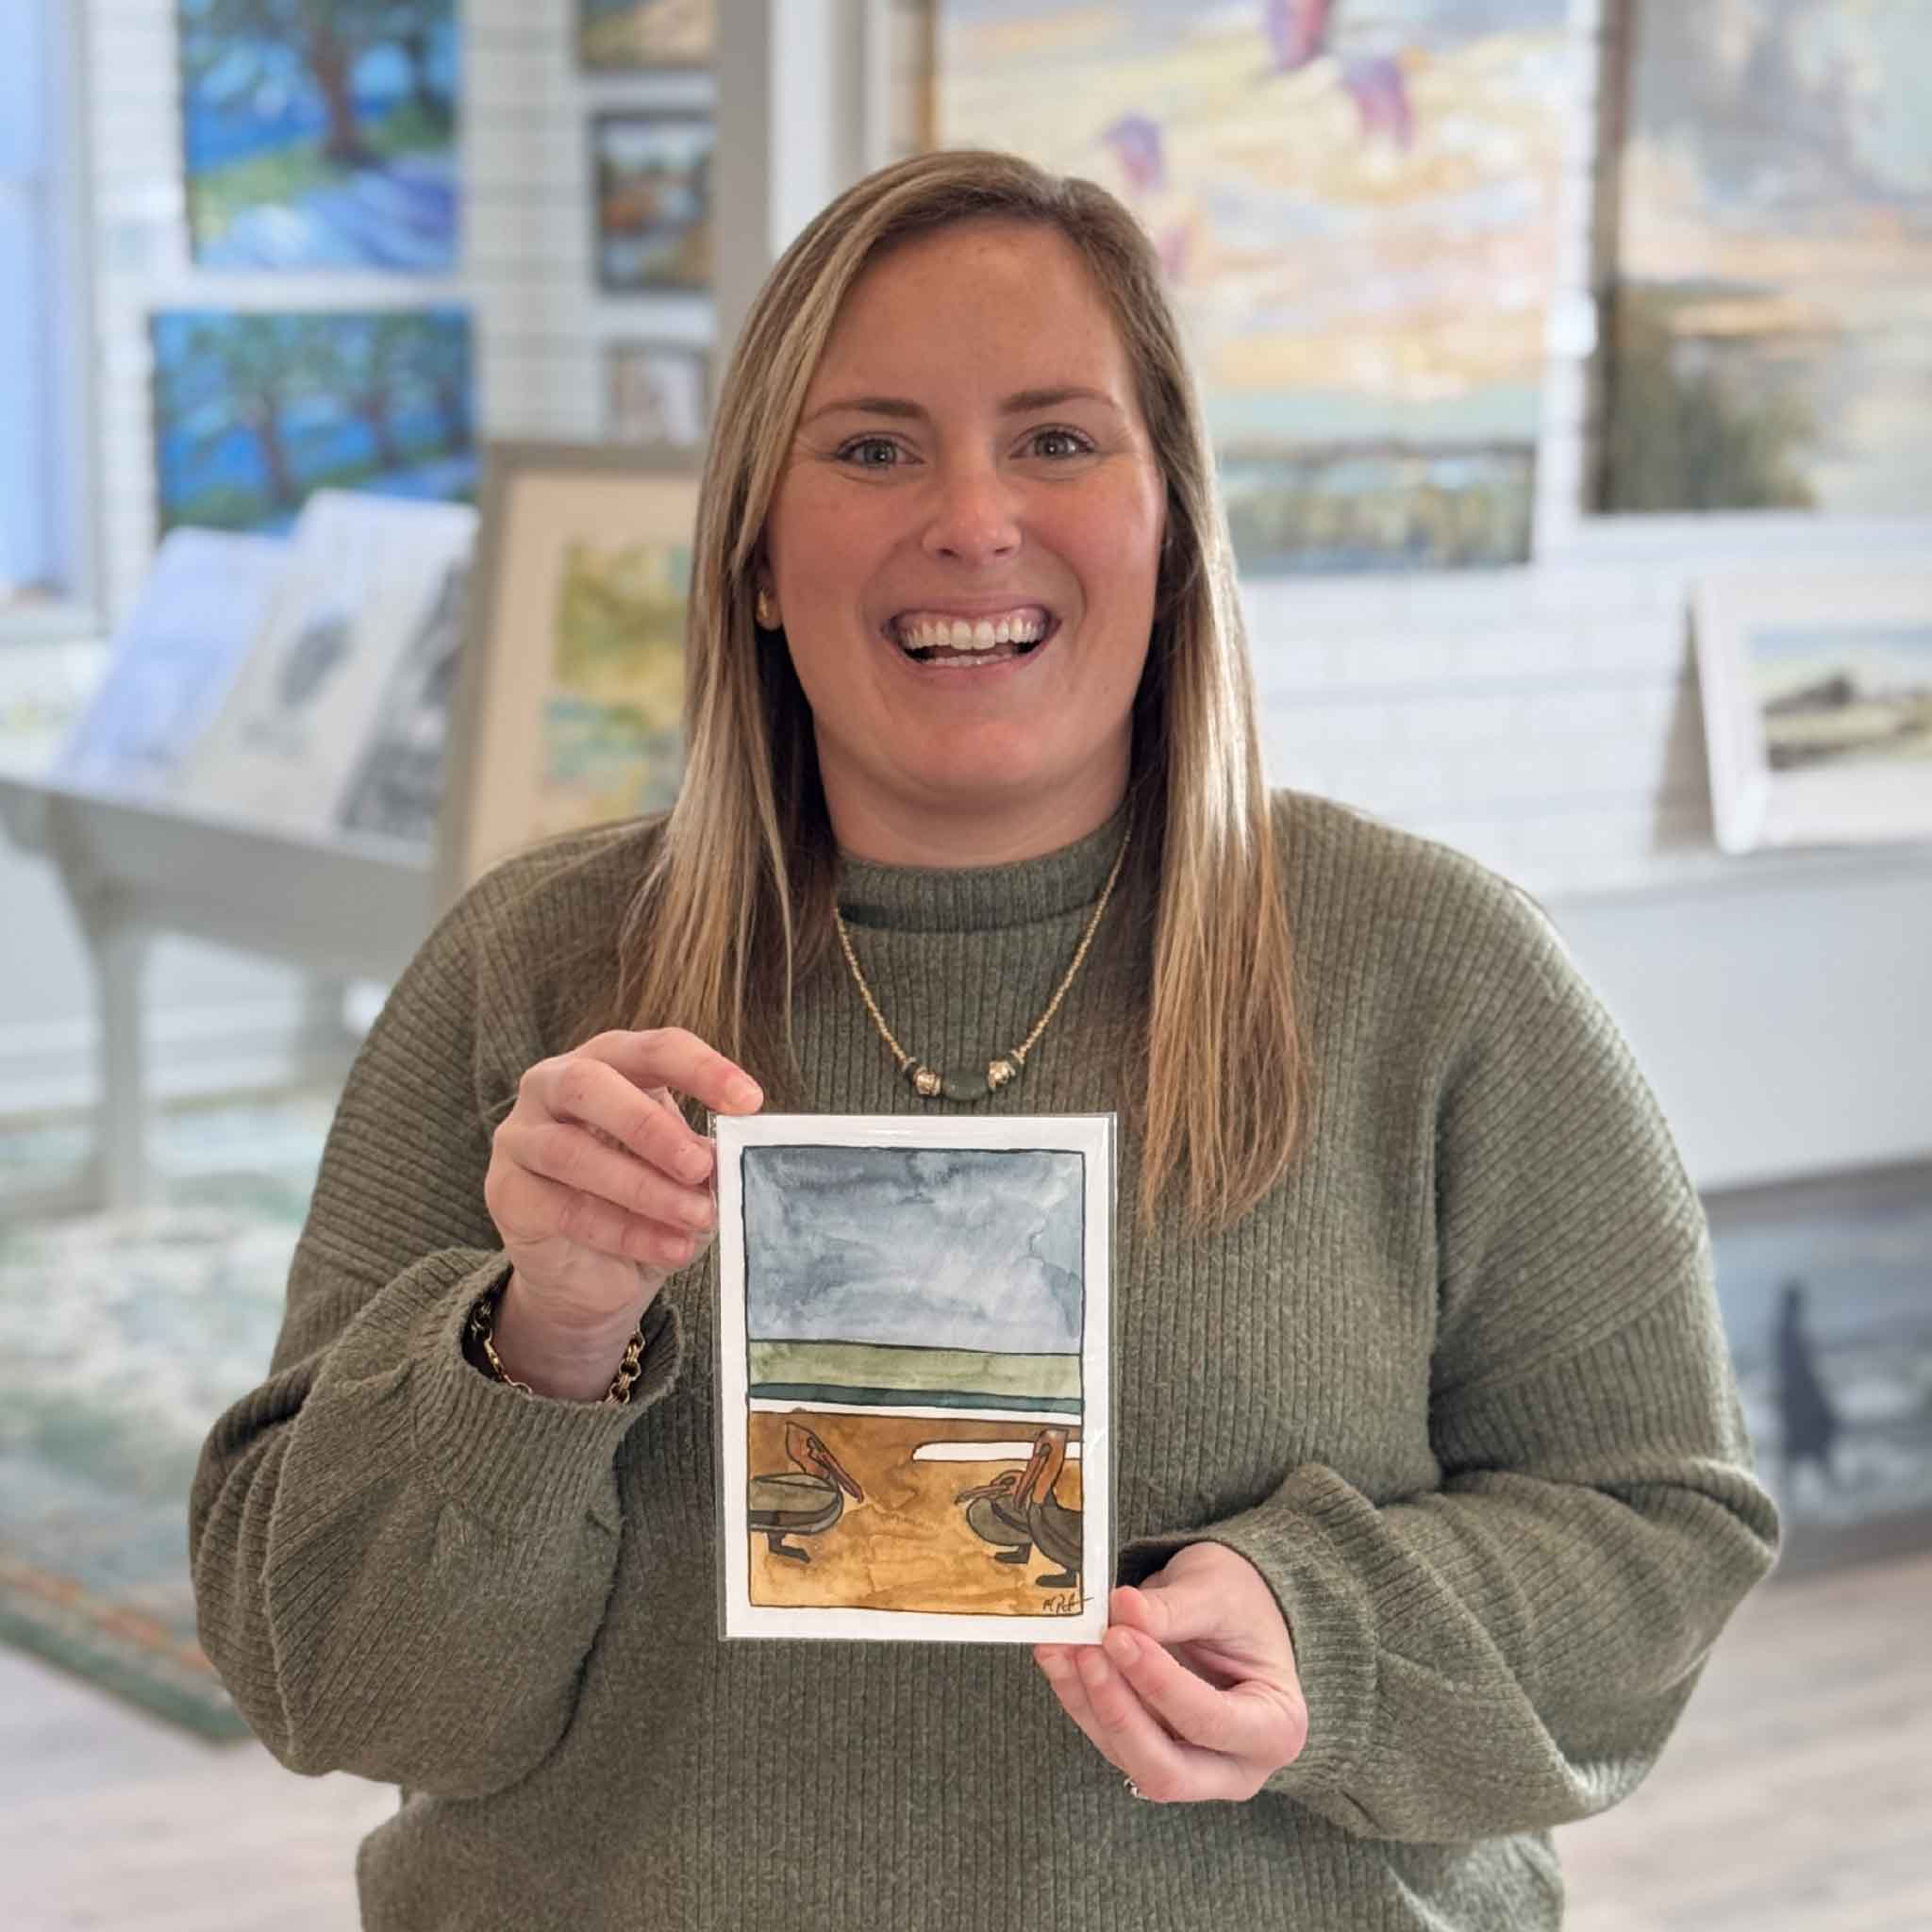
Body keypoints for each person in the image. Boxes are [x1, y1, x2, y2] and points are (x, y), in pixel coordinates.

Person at [191, 149, 1779, 1931]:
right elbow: (330, 1684)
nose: (972, 519)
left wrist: (1329, 1632)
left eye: (1057, 440)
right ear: (761, 558)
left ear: (1169, 524)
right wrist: (537, 1341)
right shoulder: (537, 972)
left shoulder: (1438, 973)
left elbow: (1661, 1538)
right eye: (872, 447)